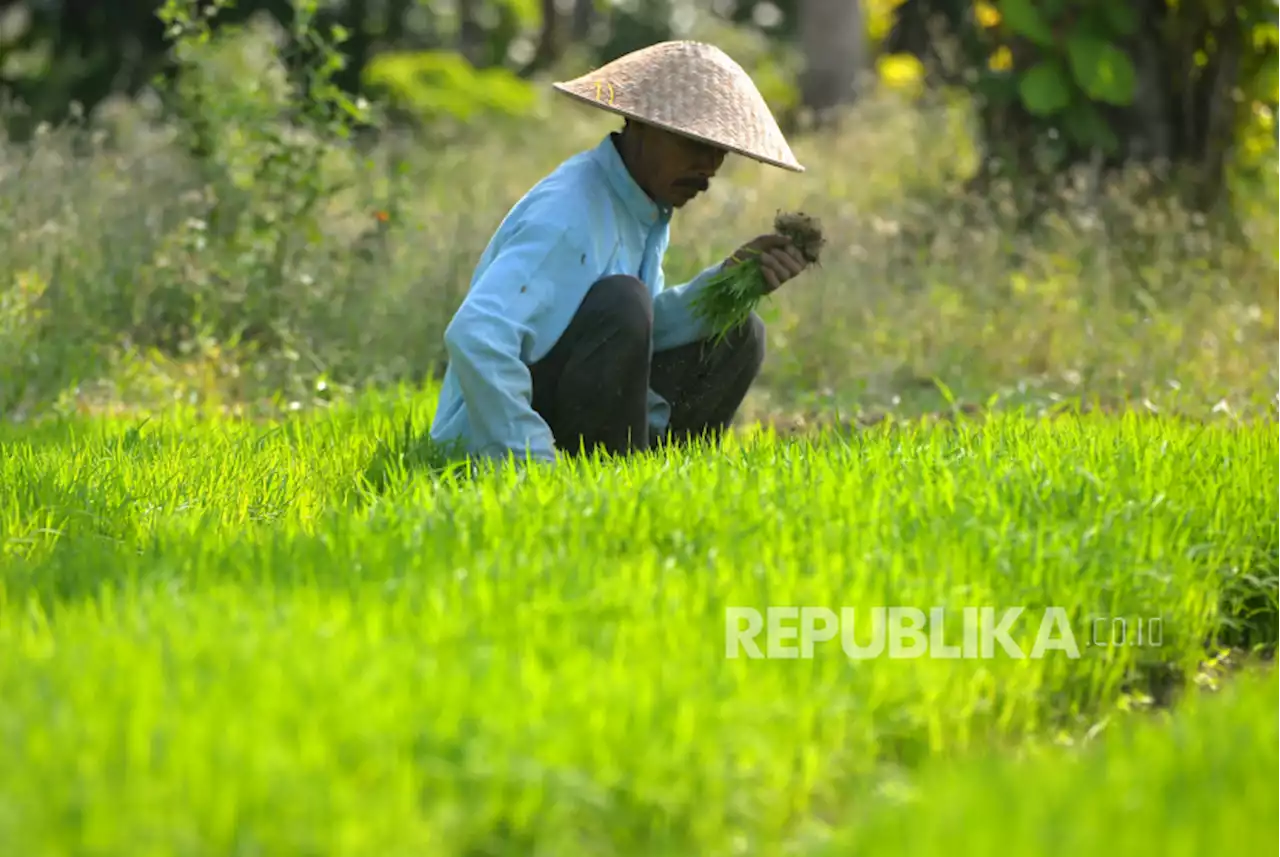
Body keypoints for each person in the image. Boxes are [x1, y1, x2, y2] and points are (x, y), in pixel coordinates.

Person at [429, 40, 813, 464]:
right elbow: (477, 334)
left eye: (718, 148)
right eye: (691, 142)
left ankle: (662, 480)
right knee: (624, 300)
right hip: (490, 442)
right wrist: (532, 464)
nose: (707, 165)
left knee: (739, 329)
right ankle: (603, 483)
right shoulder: (568, 211)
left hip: (569, 400)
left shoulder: (642, 209)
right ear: (639, 123)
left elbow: (637, 333)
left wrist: (728, 284)